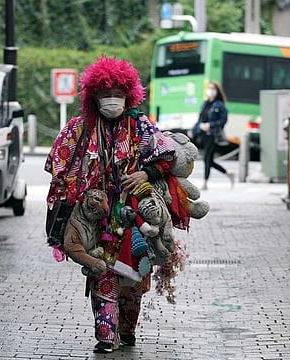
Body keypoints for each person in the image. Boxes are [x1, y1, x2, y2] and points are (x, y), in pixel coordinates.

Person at [44, 55, 179, 353]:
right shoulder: (77, 129)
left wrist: (145, 173)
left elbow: (169, 156)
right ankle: (106, 334)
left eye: (117, 95)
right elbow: (56, 164)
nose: (112, 101)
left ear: (128, 96)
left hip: (132, 218)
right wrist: (77, 190)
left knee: (135, 279)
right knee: (101, 272)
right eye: (106, 95)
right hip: (94, 220)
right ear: (94, 96)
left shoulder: (140, 127)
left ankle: (127, 329)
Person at [192, 81, 234, 190]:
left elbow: (223, 120)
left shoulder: (219, 105)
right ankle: (228, 174)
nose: (210, 91)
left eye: (213, 88)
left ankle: (205, 182)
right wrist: (194, 129)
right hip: (203, 135)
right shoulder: (205, 104)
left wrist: (211, 125)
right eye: (209, 88)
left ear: (217, 91)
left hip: (213, 135)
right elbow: (200, 119)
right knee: (209, 160)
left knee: (207, 158)